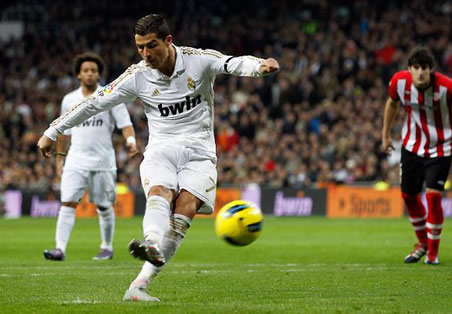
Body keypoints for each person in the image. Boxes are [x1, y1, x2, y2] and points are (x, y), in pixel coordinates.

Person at [37, 14, 279, 301]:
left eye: (151, 46)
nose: (145, 54)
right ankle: (151, 241)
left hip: (200, 153)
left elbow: (231, 62)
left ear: (168, 40)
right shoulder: (137, 75)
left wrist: (259, 66)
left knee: (184, 212)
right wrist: (53, 130)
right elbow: (95, 102)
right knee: (160, 192)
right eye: (140, 47)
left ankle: (138, 287)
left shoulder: (197, 60)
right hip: (161, 150)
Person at [382, 46, 452, 265]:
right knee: (408, 195)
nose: (421, 72)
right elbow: (392, 103)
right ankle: (422, 243)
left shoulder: (446, 86)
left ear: (431, 70)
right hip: (412, 145)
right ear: (409, 69)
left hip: (441, 146)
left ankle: (433, 252)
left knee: (433, 195)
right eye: (416, 68)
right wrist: (385, 134)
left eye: (425, 68)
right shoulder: (399, 82)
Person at [43, 52, 139, 261]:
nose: (89, 74)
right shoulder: (69, 100)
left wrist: (131, 143)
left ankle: (106, 247)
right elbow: (64, 131)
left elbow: (125, 125)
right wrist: (60, 159)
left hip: (103, 161)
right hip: (75, 160)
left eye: (93, 71)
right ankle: (59, 248)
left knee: (104, 206)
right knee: (68, 202)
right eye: (86, 70)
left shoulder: (111, 96)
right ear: (78, 74)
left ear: (99, 74)